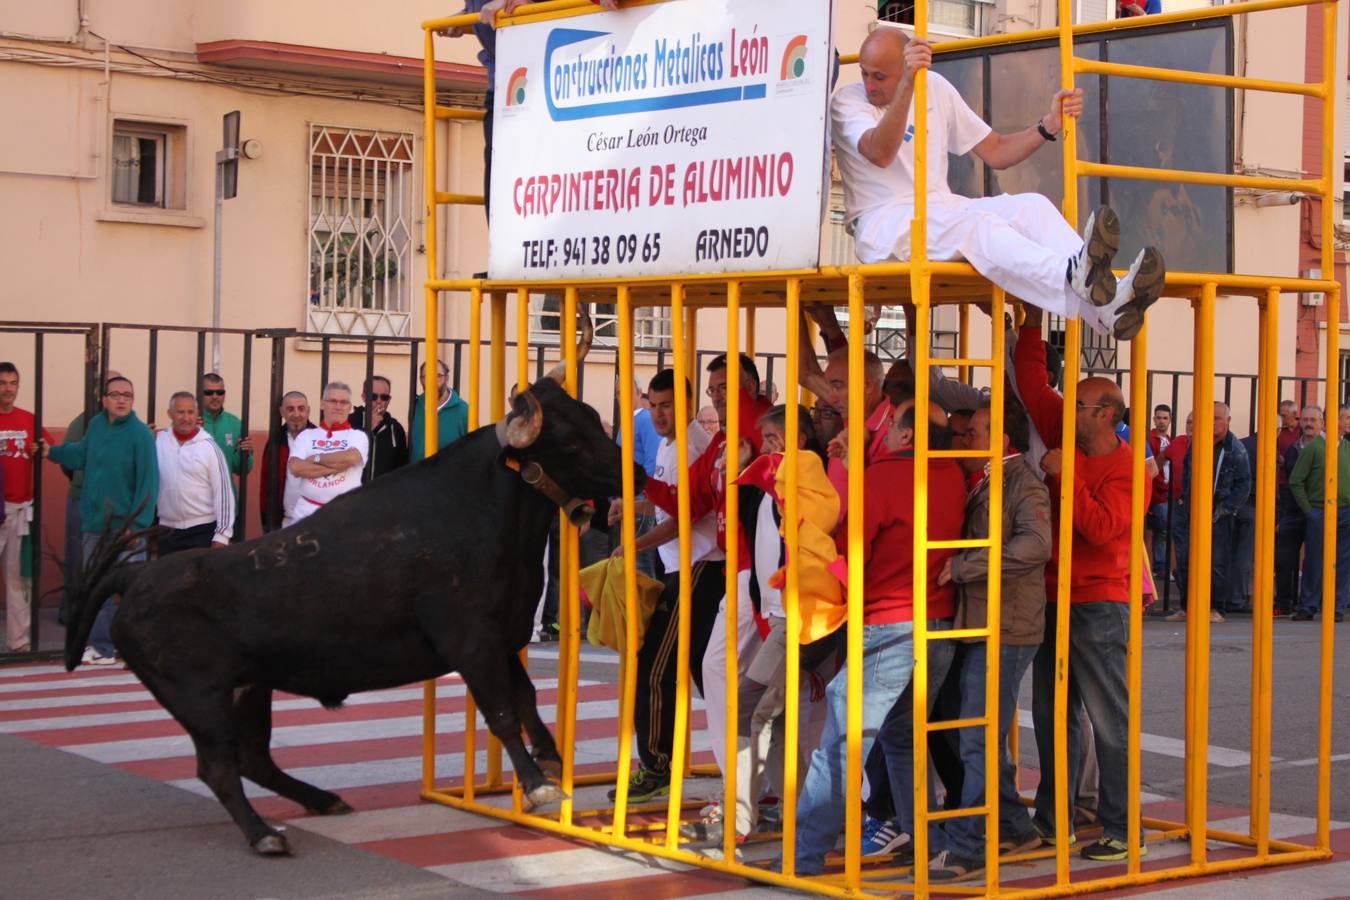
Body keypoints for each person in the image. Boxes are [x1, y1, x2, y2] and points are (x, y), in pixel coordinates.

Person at [831, 28, 1165, 341]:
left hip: (939, 208)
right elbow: (879, 152)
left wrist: (1048, 126)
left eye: (879, 76)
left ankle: (1110, 307)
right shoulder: (849, 102)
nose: (869, 84)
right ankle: (1073, 274)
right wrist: (903, 86)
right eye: (864, 73)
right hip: (882, 222)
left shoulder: (934, 87)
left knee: (1031, 206)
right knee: (978, 226)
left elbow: (996, 150)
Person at [792, 399, 966, 875]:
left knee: (841, 743)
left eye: (888, 425)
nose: (881, 430)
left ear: (906, 436)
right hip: (941, 623)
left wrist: (813, 566)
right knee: (903, 736)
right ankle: (925, 843)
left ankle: (803, 854)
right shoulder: (952, 475)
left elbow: (852, 558)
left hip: (888, 624)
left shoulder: (883, 480)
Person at [1013, 308, 1140, 862]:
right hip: (1054, 596)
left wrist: (1069, 476)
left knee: (1108, 718)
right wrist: (1032, 325)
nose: (1070, 408)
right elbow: (1033, 384)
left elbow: (1101, 528)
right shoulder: (1067, 428)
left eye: (1083, 404)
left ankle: (1119, 825)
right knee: (1051, 713)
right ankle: (1054, 817)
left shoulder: (1125, 465)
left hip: (1098, 602)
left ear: (1107, 413)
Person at [928, 397, 1052, 882]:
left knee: (976, 735)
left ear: (1001, 440)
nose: (965, 440)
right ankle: (1016, 827)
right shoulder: (986, 480)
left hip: (1008, 626)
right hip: (986, 621)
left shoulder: (1023, 484)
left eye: (975, 432)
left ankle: (969, 845)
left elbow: (1035, 545)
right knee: (980, 734)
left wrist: (964, 566)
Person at [606, 368, 724, 802]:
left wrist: (636, 542)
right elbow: (669, 499)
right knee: (701, 672)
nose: (657, 414)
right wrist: (634, 505)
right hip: (686, 566)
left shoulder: (693, 445)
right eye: (652, 405)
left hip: (699, 566)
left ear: (688, 404)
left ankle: (657, 765)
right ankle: (736, 760)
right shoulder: (672, 443)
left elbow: (685, 515)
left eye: (666, 405)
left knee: (654, 666)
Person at [45, 375, 158, 665]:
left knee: (132, 590)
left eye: (127, 395)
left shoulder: (140, 434)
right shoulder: (95, 426)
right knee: (98, 588)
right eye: (116, 394)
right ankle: (102, 647)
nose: (121, 400)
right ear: (104, 399)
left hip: (127, 527)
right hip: (94, 524)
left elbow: (149, 482)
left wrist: (138, 524)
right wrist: (52, 452)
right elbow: (80, 454)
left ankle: (138, 648)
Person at [1175, 402, 1250, 623]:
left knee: (1217, 562)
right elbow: (1188, 472)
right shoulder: (1197, 442)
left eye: (1218, 418)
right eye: (1210, 417)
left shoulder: (1235, 448)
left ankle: (1217, 608)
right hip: (1193, 509)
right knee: (1186, 559)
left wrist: (1224, 510)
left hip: (1220, 511)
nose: (1213, 422)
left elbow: (1244, 484)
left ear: (1228, 421)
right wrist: (1185, 499)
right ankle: (1187, 607)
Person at [0, 362, 53, 652]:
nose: (8, 388)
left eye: (13, 382)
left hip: (20, 510)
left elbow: (48, 448)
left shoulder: (28, 420)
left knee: (19, 580)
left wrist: (40, 448)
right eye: (3, 382)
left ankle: (18, 643)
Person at [1288, 406, 1350, 623]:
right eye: (1347, 418)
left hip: (1345, 512)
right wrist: (1309, 510)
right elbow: (1296, 481)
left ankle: (1336, 606)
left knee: (1343, 561)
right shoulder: (1314, 448)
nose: (1349, 422)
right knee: (1315, 559)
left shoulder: (1347, 447)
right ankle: (1309, 605)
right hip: (1320, 511)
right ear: (1334, 420)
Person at [154, 392, 235, 553]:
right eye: (180, 412)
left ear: (197, 414)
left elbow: (223, 493)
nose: (186, 417)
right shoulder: (158, 442)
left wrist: (222, 536)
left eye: (190, 412)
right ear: (170, 414)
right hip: (167, 531)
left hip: (202, 531)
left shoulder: (209, 447)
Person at [287, 382, 369, 522]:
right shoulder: (306, 435)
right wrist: (338, 466)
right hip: (306, 514)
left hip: (345, 514)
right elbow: (295, 467)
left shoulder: (357, 436)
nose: (338, 406)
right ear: (322, 404)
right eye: (333, 401)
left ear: (349, 407)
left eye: (343, 402)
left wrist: (315, 458)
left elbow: (351, 458)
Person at [1275, 406, 1321, 615]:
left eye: (1313, 419)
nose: (1308, 424)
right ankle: (1284, 602)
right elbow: (1288, 481)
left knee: (1315, 558)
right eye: (1305, 420)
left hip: (1317, 509)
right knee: (1284, 558)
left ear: (1322, 423)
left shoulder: (1329, 447)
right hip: (1293, 510)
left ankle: (1312, 602)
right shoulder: (1294, 448)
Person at [199, 373, 253, 543]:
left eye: (219, 392)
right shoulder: (191, 420)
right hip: (197, 508)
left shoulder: (235, 423)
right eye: (208, 392)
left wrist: (247, 453)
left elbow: (241, 469)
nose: (215, 396)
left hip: (227, 505)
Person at [258, 391, 316, 532]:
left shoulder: (319, 440)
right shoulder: (275, 443)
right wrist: (267, 522)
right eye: (290, 409)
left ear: (308, 411)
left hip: (315, 521)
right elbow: (266, 485)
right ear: (281, 412)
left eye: (301, 409)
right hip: (284, 523)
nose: (296, 414)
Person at [349, 375, 409, 482]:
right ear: (363, 397)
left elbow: (402, 468)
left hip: (384, 494)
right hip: (354, 494)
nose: (379, 401)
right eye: (373, 396)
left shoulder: (396, 429)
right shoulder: (351, 422)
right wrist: (370, 427)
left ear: (389, 400)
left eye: (384, 397)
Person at [410, 359, 469, 462]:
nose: (433, 381)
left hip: (448, 476)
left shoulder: (463, 410)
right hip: (417, 475)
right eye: (427, 376)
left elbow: (471, 447)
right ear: (421, 380)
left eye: (438, 376)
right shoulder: (415, 406)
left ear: (447, 378)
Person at [1146, 404, 1172, 579]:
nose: (1161, 421)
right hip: (1158, 492)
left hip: (1167, 491)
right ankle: (1161, 567)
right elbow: (1151, 468)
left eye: (1165, 418)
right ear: (1154, 419)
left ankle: (1160, 566)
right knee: (1163, 528)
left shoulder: (1169, 439)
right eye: (1158, 417)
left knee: (1163, 529)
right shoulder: (1151, 439)